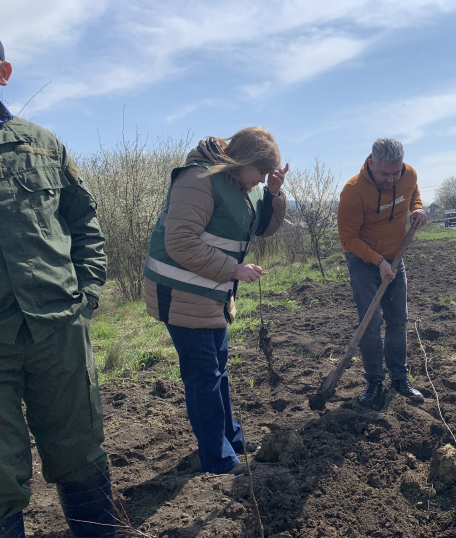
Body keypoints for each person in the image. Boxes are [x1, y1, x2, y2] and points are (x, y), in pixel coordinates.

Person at [0, 41, 117, 537]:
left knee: (81, 455)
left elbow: (83, 220)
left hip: (58, 332)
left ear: (3, 72)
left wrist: (87, 292)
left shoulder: (43, 145)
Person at [144, 128, 287, 474]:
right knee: (203, 377)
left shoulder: (236, 186)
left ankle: (231, 440)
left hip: (210, 294)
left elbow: (260, 228)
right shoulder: (199, 179)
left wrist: (272, 193)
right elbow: (180, 242)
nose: (259, 180)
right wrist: (234, 269)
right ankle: (218, 458)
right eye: (260, 173)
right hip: (181, 293)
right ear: (244, 161)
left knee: (217, 373)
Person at [337, 138, 428, 407]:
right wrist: (378, 262)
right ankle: (374, 382)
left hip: (395, 258)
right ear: (371, 162)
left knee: (398, 320)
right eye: (383, 174)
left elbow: (414, 194)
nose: (390, 180)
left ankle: (400, 378)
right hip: (364, 263)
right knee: (371, 324)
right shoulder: (353, 191)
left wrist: (418, 209)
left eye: (395, 173)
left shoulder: (408, 174)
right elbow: (348, 239)